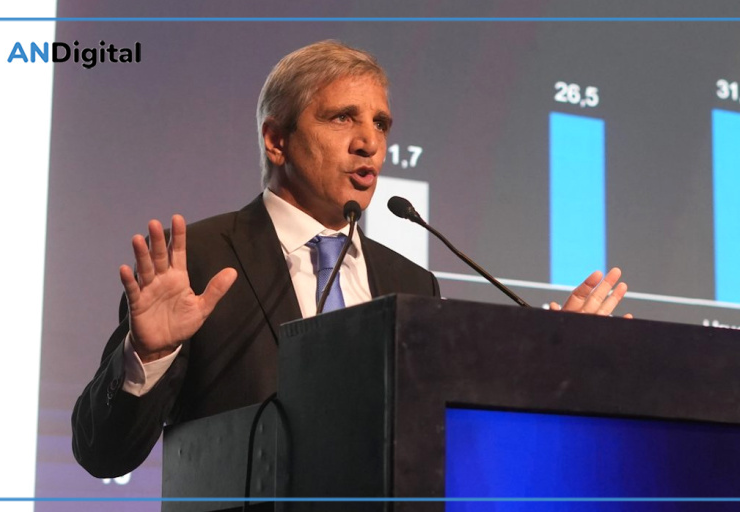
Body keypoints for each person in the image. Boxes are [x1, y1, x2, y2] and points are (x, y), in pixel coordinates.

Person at [71, 40, 630, 478]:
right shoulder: (202, 258)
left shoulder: (411, 282)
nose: (369, 142)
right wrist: (149, 354)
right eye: (343, 118)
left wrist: (549, 364)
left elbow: (450, 440)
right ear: (276, 141)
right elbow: (103, 454)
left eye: (380, 123)